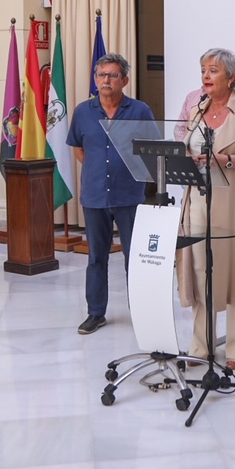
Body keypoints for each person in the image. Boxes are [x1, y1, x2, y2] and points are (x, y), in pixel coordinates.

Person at [177, 48, 235, 370]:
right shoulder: (197, 109)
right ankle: (201, 346)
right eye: (203, 69)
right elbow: (187, 146)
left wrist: (226, 160)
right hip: (201, 201)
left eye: (213, 70)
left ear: (231, 77)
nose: (205, 76)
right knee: (202, 271)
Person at [66, 53, 154, 335]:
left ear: (124, 80)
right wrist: (99, 171)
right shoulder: (83, 111)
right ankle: (95, 313)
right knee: (96, 257)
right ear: (95, 80)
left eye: (112, 75)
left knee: (135, 258)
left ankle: (141, 313)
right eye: (101, 75)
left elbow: (152, 150)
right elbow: (79, 149)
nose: (106, 80)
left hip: (129, 195)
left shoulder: (139, 111)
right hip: (94, 196)